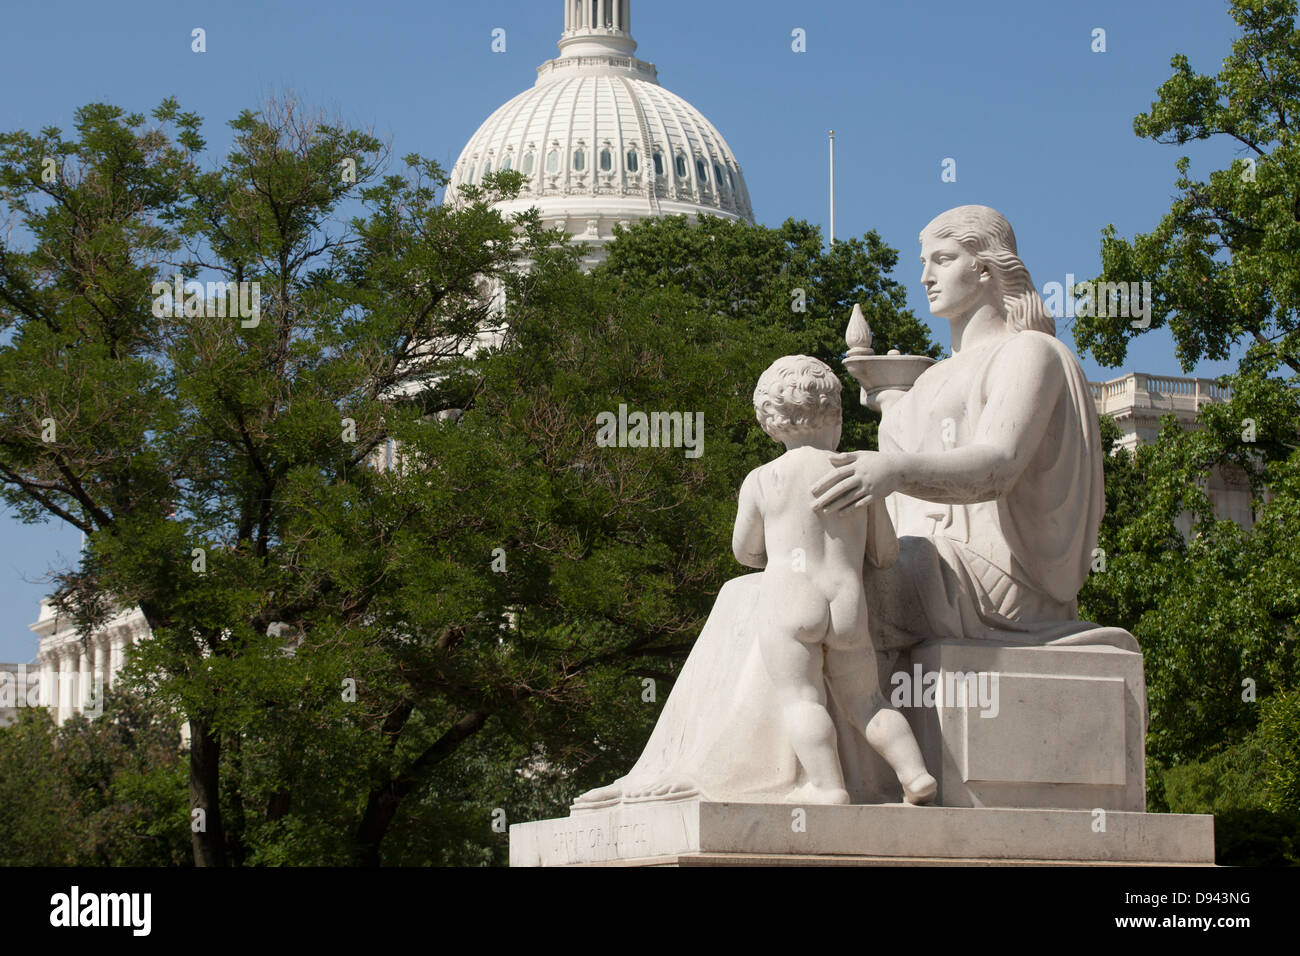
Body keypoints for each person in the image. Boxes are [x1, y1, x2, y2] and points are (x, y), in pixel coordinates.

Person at [735, 355, 936, 804]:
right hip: (847, 602)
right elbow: (885, 555)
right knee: (870, 702)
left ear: (770, 422)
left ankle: (828, 788)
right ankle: (915, 774)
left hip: (790, 600)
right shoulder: (856, 474)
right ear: (836, 414)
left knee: (802, 699)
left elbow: (745, 552)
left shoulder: (763, 479)